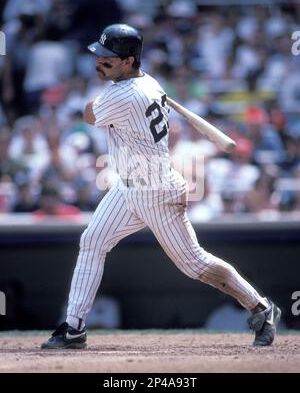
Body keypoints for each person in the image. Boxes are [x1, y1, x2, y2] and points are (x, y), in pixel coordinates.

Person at [41, 24, 281, 349]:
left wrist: (103, 90)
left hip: (157, 192)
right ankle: (74, 327)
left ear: (128, 61)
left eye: (108, 60)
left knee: (195, 264)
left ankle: (261, 308)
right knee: (93, 241)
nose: (99, 64)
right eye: (99, 58)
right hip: (128, 188)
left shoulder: (123, 94)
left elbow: (87, 114)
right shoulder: (146, 82)